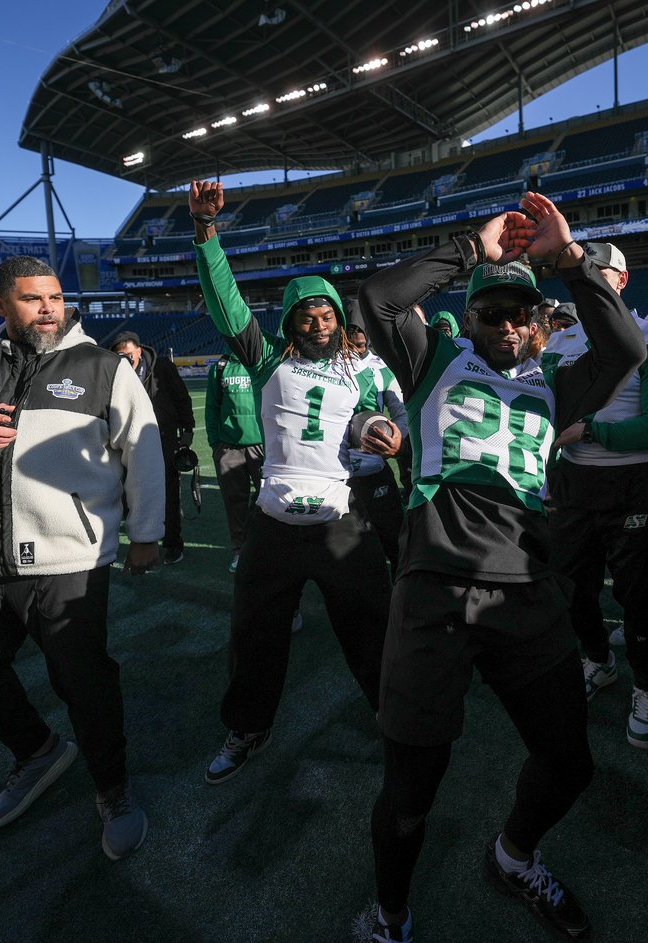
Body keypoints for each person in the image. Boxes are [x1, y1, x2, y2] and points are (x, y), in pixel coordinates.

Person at [355, 192, 645, 942]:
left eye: (525, 314)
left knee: (570, 761)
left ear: (544, 326)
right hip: (434, 591)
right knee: (411, 791)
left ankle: (514, 857)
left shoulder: (559, 382)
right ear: (472, 319)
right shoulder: (434, 360)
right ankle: (390, 914)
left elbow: (627, 352)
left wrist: (571, 260)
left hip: (527, 590)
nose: (510, 325)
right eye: (493, 313)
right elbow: (380, 300)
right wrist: (472, 252)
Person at [0, 255, 162, 860]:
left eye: (56, 297)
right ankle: (39, 752)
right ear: (0, 305)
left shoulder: (103, 367)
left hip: (68, 557)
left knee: (85, 683)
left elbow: (142, 454)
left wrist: (147, 532)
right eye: (32, 298)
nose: (48, 308)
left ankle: (113, 790)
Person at [187, 180, 391, 786]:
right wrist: (206, 233)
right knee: (254, 636)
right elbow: (225, 302)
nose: (320, 322)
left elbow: (369, 419)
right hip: (273, 525)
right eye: (309, 313)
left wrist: (377, 428)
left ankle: (391, 712)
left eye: (327, 313)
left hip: (342, 526)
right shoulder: (267, 358)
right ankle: (248, 726)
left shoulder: (359, 370)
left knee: (371, 632)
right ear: (292, 320)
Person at [543, 242, 648, 749]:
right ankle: (598, 661)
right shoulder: (560, 341)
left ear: (621, 281)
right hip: (574, 485)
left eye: (599, 273)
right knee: (572, 588)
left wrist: (592, 432)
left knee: (640, 596)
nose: (591, 281)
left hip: (634, 484)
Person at [109, 331, 195, 565]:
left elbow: (182, 399)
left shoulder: (163, 368)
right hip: (127, 443)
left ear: (139, 350)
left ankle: (172, 545)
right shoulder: (114, 373)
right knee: (126, 495)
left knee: (167, 496)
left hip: (163, 440)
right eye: (119, 356)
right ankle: (139, 542)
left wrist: (188, 430)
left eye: (128, 355)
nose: (125, 360)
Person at [346, 320, 408, 574]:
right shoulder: (326, 368)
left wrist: (396, 438)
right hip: (339, 472)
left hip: (374, 466)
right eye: (350, 344)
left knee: (394, 539)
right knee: (350, 551)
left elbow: (402, 413)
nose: (356, 349)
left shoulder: (382, 369)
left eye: (360, 344)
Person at [204, 349, 263, 572]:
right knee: (234, 502)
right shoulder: (220, 368)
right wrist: (215, 444)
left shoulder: (262, 362)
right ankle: (239, 551)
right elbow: (212, 408)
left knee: (268, 501)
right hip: (229, 447)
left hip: (262, 446)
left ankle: (265, 548)